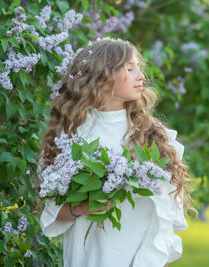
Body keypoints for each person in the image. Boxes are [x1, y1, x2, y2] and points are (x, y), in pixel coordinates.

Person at [38, 38, 193, 267]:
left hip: (139, 256)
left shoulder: (152, 135)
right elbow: (52, 211)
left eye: (138, 68)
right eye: (130, 69)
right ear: (103, 77)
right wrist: (81, 208)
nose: (140, 76)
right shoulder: (72, 138)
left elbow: (163, 215)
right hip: (90, 255)